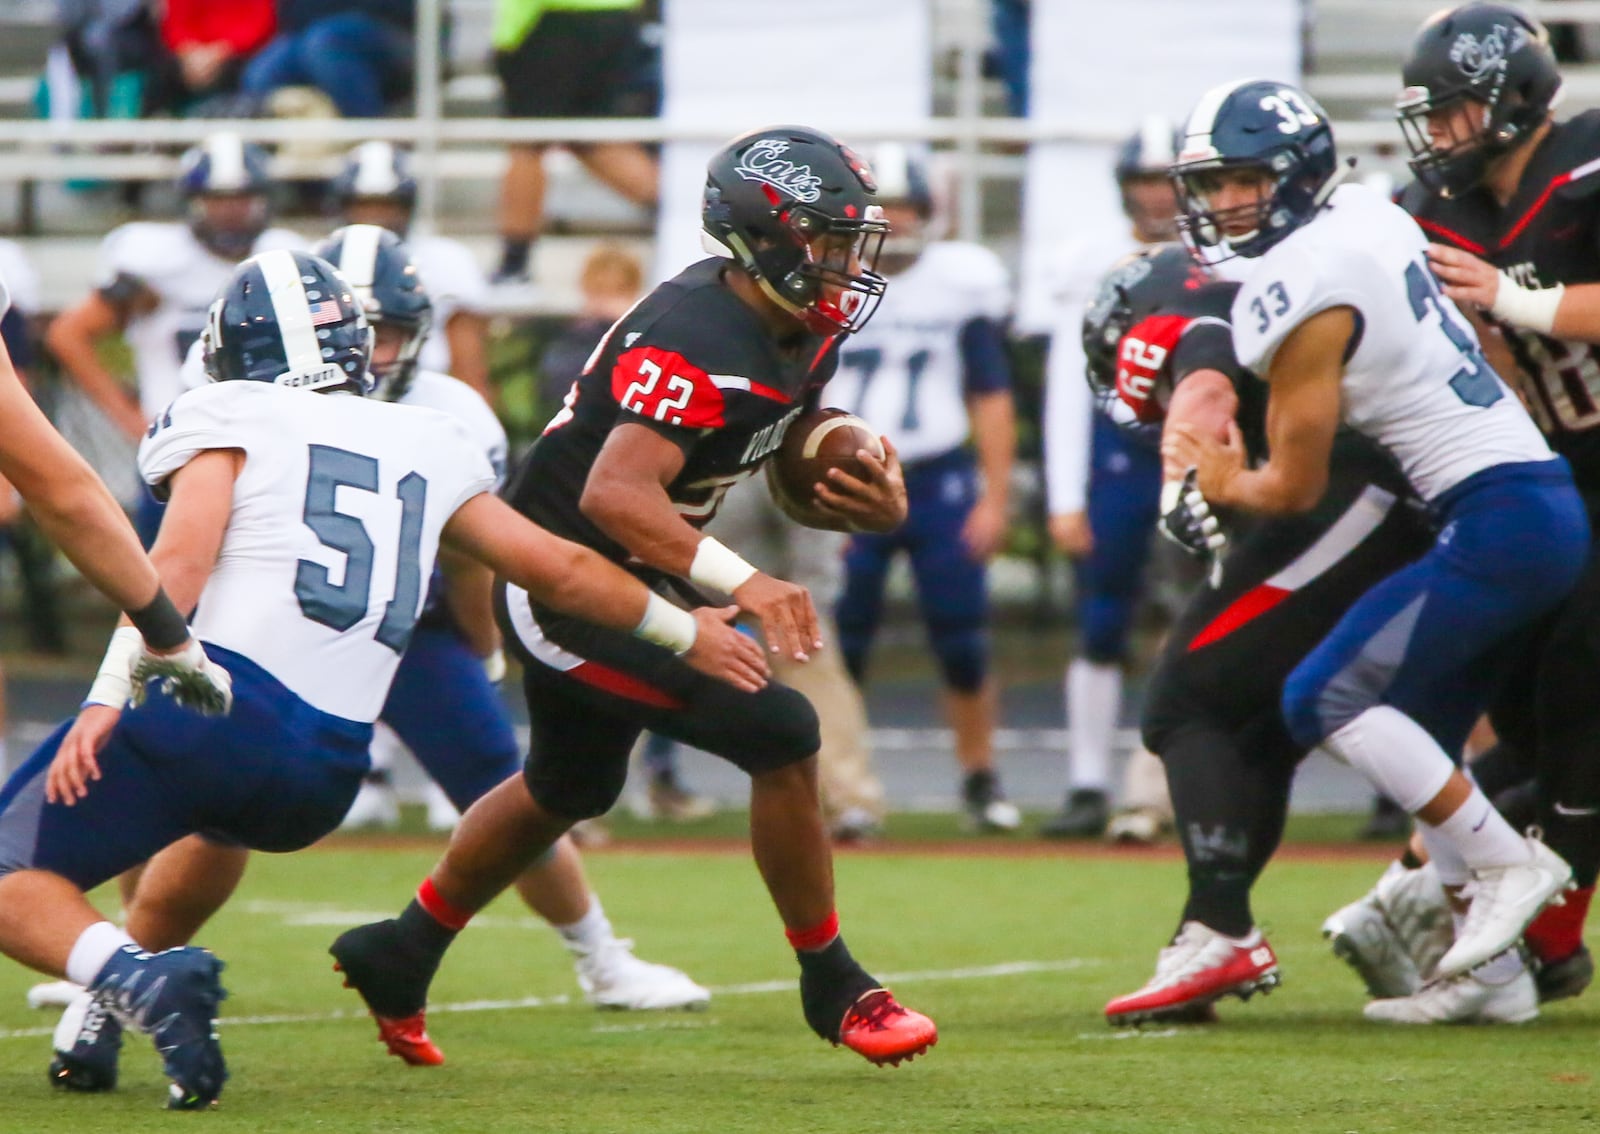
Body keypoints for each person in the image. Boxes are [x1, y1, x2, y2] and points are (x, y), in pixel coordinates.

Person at [0, 248, 763, 1109]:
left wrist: (107, 697)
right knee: (211, 825)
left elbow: (171, 567)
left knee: (12, 873)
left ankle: (137, 981)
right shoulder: (430, 438)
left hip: (218, 709)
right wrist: (679, 625)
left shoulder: (226, 411)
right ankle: (92, 1028)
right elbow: (559, 570)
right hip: (327, 768)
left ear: (228, 350)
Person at [327, 125, 938, 1070]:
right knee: (780, 733)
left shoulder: (797, 324)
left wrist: (866, 491)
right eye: (825, 240)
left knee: (567, 786)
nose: (844, 264)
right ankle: (835, 982)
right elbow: (616, 494)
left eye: (851, 242)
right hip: (565, 582)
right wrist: (743, 582)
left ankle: (399, 951)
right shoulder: (695, 332)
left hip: (639, 569)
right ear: (762, 237)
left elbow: (772, 435)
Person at [1163, 78, 1586, 1013]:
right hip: (1526, 497)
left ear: (1294, 172)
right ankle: (1495, 984)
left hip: (1498, 512)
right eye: (1213, 183)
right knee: (1423, 729)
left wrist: (1220, 476)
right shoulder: (1369, 213)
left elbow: (1295, 488)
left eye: (1243, 180)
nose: (1225, 203)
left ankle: (1508, 865)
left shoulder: (1297, 283)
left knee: (1324, 693)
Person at [1321, 2, 1600, 1021]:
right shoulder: (1432, 213)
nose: (1436, 136)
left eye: (1452, 114)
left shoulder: (1585, 167)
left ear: (1515, 98)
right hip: (1539, 476)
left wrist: (1513, 301)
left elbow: (1518, 304)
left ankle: (1540, 936)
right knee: (1528, 708)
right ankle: (1466, 902)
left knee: (1576, 697)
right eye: (1428, 118)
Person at [1079, 245, 1437, 1025]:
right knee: (1259, 722)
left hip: (1369, 485)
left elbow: (1203, 380)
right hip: (1404, 481)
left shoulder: (1182, 316)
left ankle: (1222, 926)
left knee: (1183, 703)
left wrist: (1182, 478)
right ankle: (1208, 927)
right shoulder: (1268, 288)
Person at [828, 145, 1021, 832]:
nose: (899, 223)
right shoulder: (830, 276)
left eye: (909, 208)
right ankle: (842, 792)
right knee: (837, 640)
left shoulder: (960, 280)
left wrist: (994, 497)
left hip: (937, 475)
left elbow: (991, 394)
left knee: (962, 639)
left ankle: (979, 779)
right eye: (887, 210)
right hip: (844, 473)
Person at [45, 131, 303, 545]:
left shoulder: (285, 258)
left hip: (271, 450)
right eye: (218, 200)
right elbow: (68, 334)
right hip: (179, 450)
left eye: (242, 199)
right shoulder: (156, 263)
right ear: (192, 202)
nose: (231, 213)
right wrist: (129, 415)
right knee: (171, 588)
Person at [1041, 118, 1182, 839]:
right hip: (1120, 455)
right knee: (1101, 624)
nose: (1157, 197)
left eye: (1167, 180)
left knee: (1191, 623)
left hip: (1194, 449)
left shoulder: (1214, 255)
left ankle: (1159, 790)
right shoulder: (1093, 260)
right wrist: (1067, 494)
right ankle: (1089, 783)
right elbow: (1072, 381)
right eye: (1145, 182)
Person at [489, 0, 659, 285]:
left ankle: (513, 268)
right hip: (616, 16)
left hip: (550, 17)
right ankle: (691, 212)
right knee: (593, 139)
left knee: (528, 142)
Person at [334, 141, 493, 400]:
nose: (375, 216)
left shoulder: (447, 260)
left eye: (386, 205)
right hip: (338, 395)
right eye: (363, 204)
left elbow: (470, 366)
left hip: (423, 396)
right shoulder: (319, 262)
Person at [239, 1, 413, 120]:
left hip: (390, 30)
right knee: (262, 72)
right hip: (311, 32)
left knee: (325, 43)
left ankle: (374, 141)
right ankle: (277, 153)